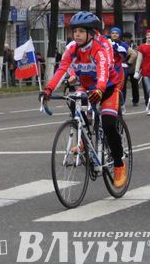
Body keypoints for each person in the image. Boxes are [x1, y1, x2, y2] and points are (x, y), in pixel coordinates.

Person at [40, 11, 127, 189]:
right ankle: (83, 140)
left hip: (108, 88)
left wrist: (100, 89)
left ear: (91, 33)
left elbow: (103, 72)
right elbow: (61, 69)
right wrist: (48, 89)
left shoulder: (99, 49)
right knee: (75, 104)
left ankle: (119, 164)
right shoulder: (72, 50)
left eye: (80, 31)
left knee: (109, 124)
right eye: (74, 31)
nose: (76, 35)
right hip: (87, 87)